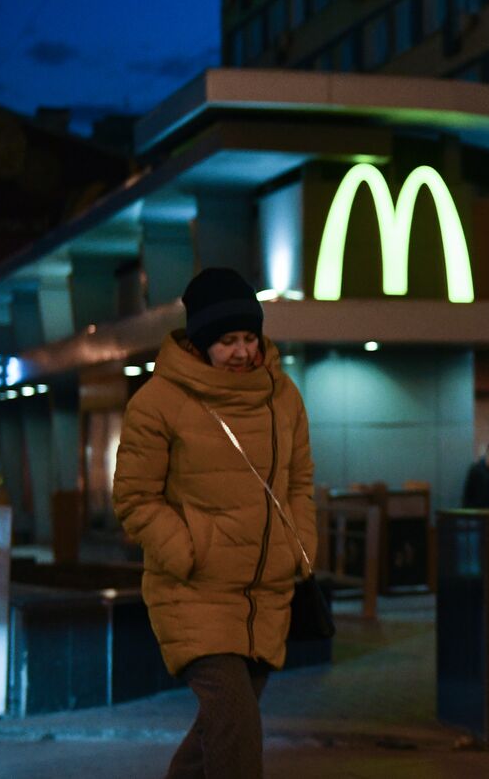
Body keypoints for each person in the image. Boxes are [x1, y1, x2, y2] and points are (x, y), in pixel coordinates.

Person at [113, 268, 316, 779]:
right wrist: (188, 551)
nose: (243, 351)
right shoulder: (158, 403)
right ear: (201, 343)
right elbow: (135, 498)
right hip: (195, 594)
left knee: (218, 732)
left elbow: (300, 482)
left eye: (250, 337)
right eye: (228, 341)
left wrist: (301, 548)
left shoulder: (283, 396)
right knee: (236, 726)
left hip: (266, 594)